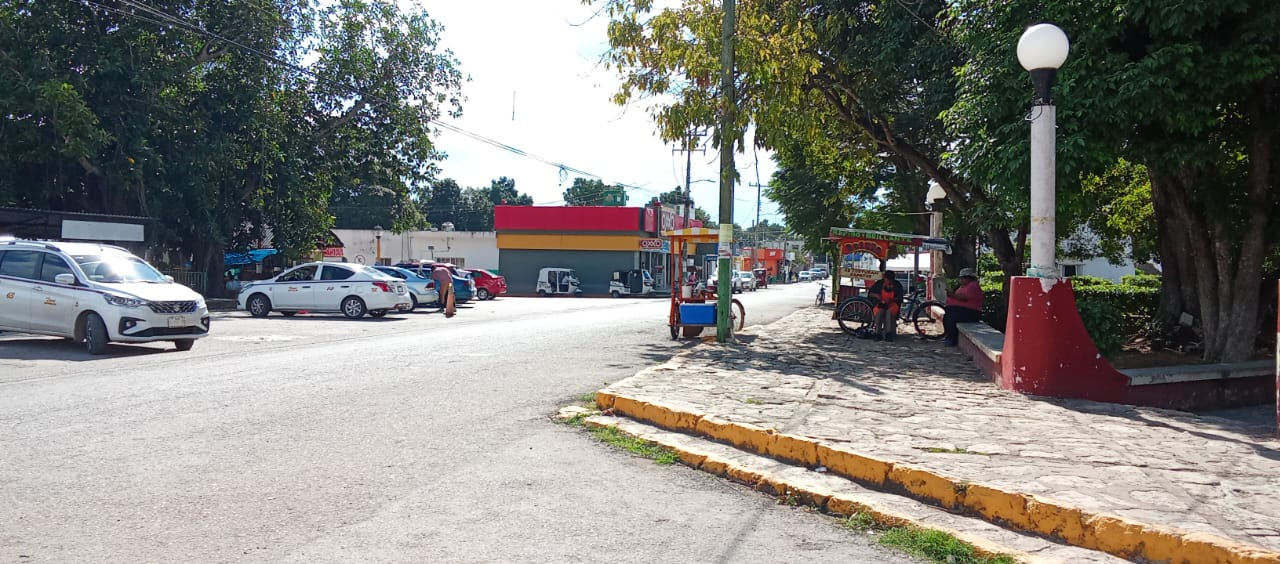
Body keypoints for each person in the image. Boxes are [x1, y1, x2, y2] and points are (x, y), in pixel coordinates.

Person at [943, 267, 983, 346]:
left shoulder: (972, 286)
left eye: (963, 278)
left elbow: (964, 298)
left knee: (951, 318)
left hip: (970, 312)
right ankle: (949, 337)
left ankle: (952, 339)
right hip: (961, 310)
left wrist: (951, 295)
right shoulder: (963, 286)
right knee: (948, 317)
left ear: (968, 278)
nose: (961, 280)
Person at [867, 270, 905, 341]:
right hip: (880, 303)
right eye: (887, 279)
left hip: (893, 304)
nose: (888, 281)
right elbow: (870, 294)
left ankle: (888, 334)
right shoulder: (879, 283)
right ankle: (877, 333)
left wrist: (891, 300)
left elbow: (900, 297)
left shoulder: (897, 285)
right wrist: (877, 295)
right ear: (884, 278)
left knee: (889, 312)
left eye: (890, 280)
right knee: (879, 311)